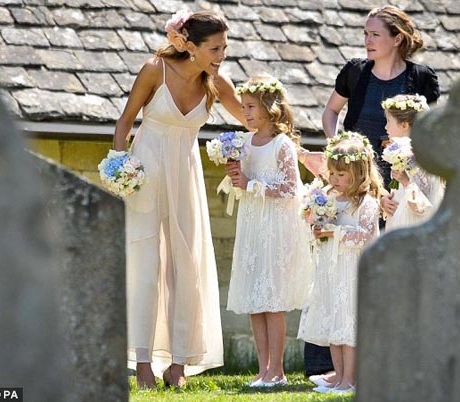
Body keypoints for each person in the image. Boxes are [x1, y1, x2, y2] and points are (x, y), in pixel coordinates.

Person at [113, 10, 247, 389]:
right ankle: (141, 362)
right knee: (145, 262)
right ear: (190, 45)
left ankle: (178, 362)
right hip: (146, 170)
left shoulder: (217, 82)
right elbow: (125, 122)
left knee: (185, 263)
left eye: (225, 47)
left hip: (185, 172)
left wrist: (286, 133)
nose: (222, 54)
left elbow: (251, 119)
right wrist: (120, 167)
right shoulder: (155, 69)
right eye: (216, 47)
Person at [225, 75, 313, 388]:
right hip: (252, 224)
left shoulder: (282, 144)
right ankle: (262, 370)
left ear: (268, 108)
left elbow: (290, 188)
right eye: (243, 107)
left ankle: (277, 370)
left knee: (272, 298)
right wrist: (236, 176)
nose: (245, 113)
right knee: (255, 298)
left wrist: (253, 184)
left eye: (250, 107)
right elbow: (244, 186)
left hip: (276, 226)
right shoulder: (245, 143)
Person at [322, 5, 440, 214]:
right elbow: (331, 111)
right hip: (357, 179)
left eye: (375, 34)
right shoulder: (355, 71)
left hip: (401, 181)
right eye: (366, 34)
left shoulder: (422, 78)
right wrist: (336, 145)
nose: (368, 41)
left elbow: (430, 133)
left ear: (397, 39)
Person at [298, 132, 382, 395]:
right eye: (332, 173)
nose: (334, 179)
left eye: (340, 174)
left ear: (357, 173)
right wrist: (318, 229)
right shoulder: (329, 198)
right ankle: (338, 377)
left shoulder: (366, 203)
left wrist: (335, 232)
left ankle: (350, 379)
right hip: (330, 268)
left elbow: (366, 235)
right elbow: (319, 225)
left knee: (347, 323)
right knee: (332, 322)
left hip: (352, 270)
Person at [381, 94, 445, 230]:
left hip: (413, 224)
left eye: (389, 121)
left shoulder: (420, 157)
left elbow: (423, 206)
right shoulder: (400, 153)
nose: (385, 127)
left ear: (404, 125)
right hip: (398, 219)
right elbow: (399, 194)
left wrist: (405, 181)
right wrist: (386, 201)